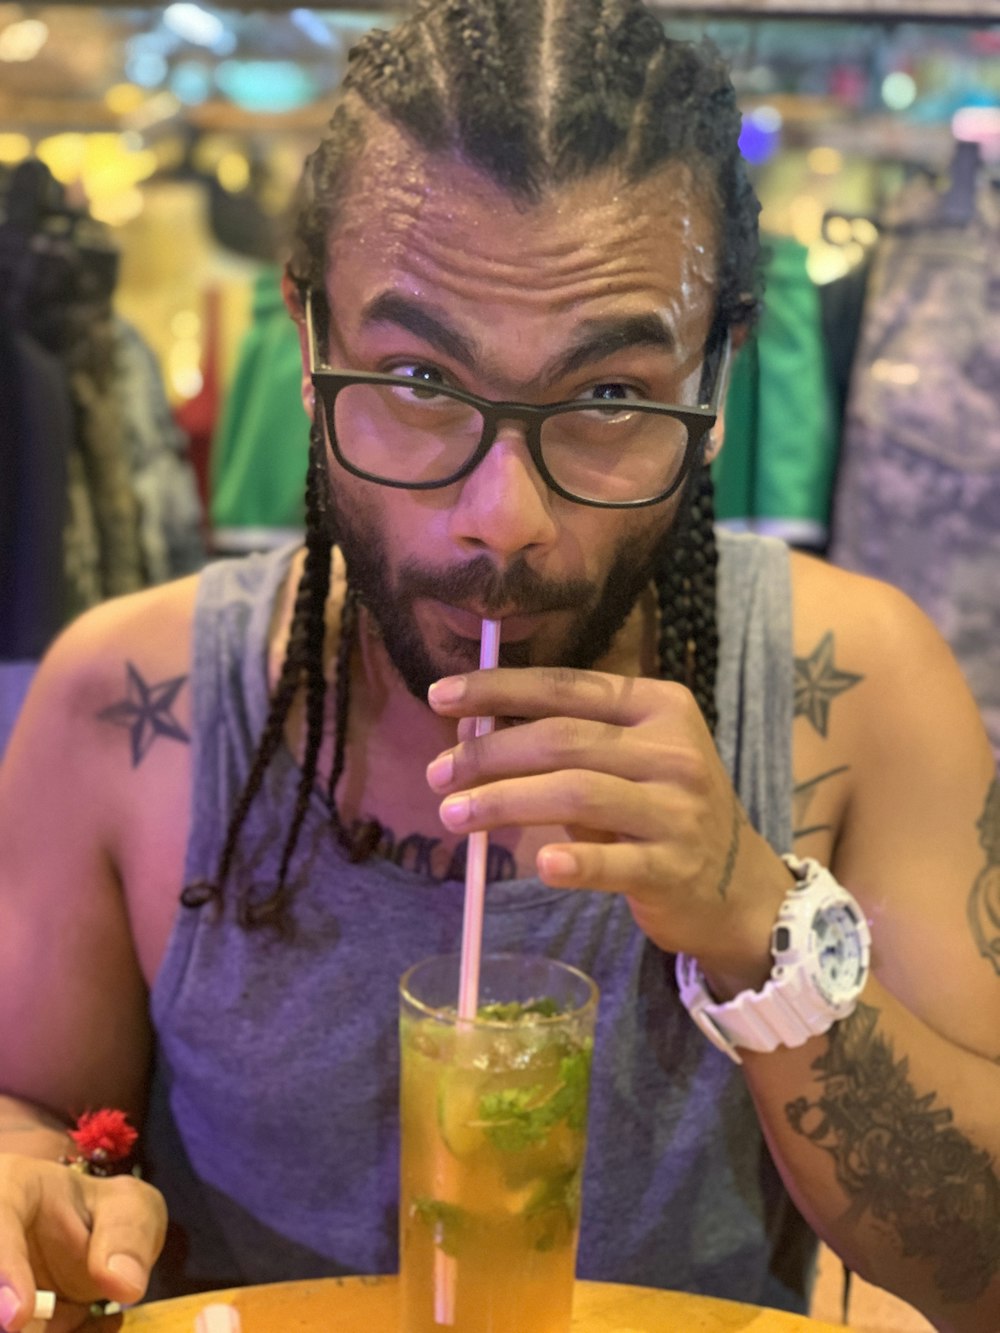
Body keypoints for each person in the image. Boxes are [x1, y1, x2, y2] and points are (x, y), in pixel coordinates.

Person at [0, 2, 998, 1329]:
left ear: (718, 380)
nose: (503, 517)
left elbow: (980, 1266)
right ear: (308, 348)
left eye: (608, 397)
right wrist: (41, 1192)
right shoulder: (123, 704)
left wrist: (760, 923)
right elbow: (36, 1115)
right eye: (417, 374)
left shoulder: (859, 690)